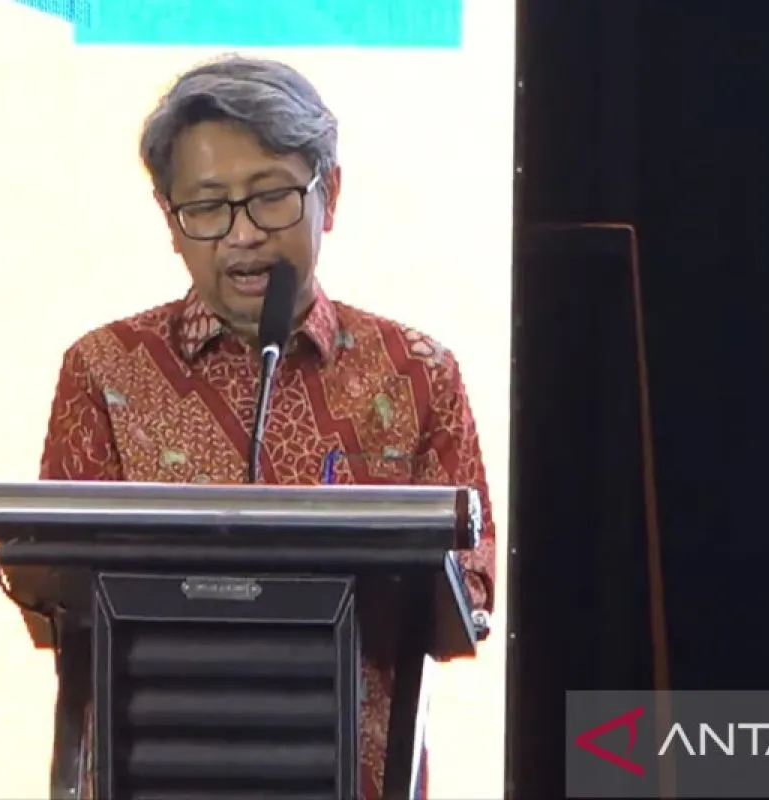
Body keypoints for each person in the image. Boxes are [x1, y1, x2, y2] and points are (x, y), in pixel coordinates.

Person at [36, 54, 497, 800]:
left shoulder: (417, 372)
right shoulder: (104, 372)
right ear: (170, 221)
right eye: (207, 207)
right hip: (151, 771)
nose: (243, 235)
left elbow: (468, 587)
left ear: (329, 194)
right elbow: (60, 590)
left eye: (271, 198)